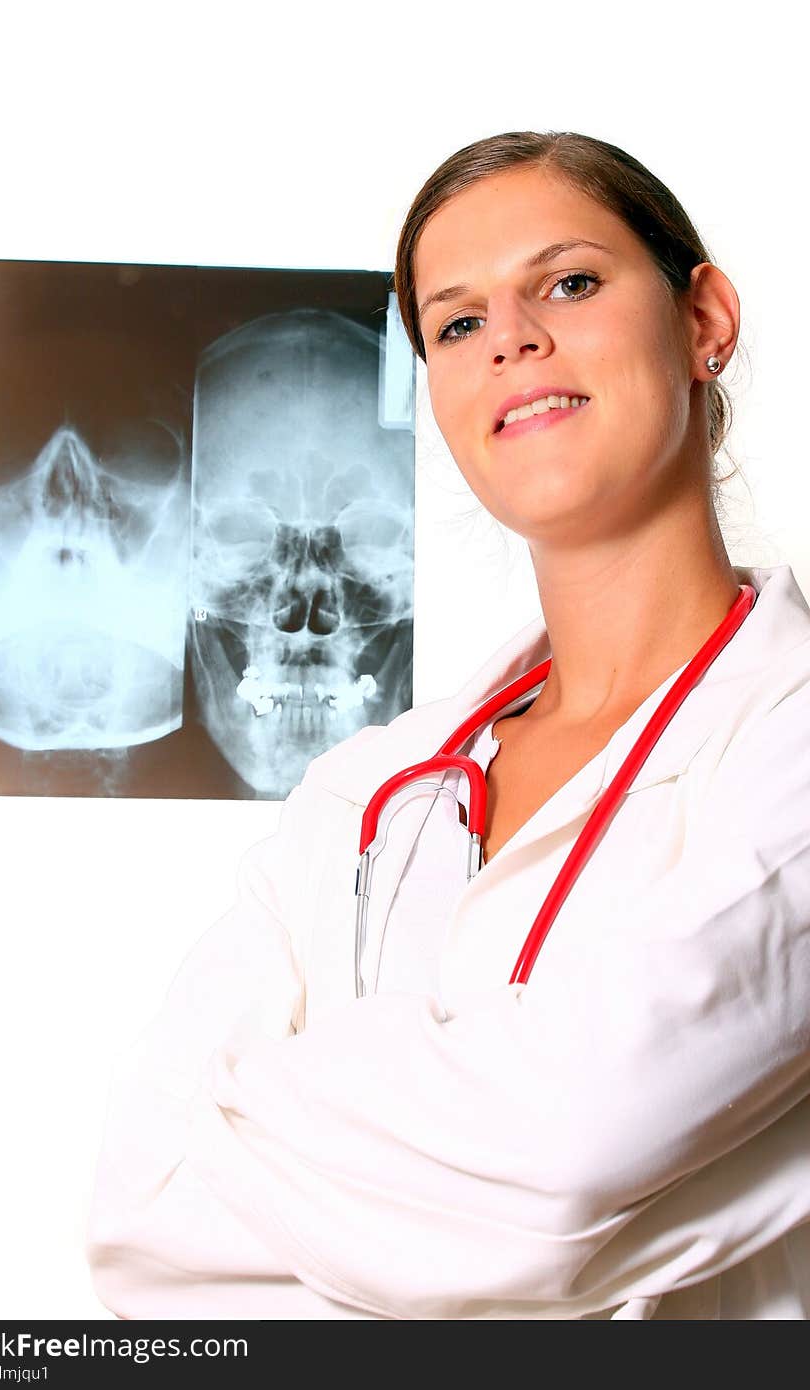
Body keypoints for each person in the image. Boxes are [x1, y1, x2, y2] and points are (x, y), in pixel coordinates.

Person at [86, 131, 810, 1320]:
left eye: (567, 283)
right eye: (457, 323)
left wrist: (281, 1126)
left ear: (705, 319)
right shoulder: (365, 794)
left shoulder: (780, 733)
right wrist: (504, 1207)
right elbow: (139, 1216)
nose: (513, 338)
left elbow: (575, 1136)